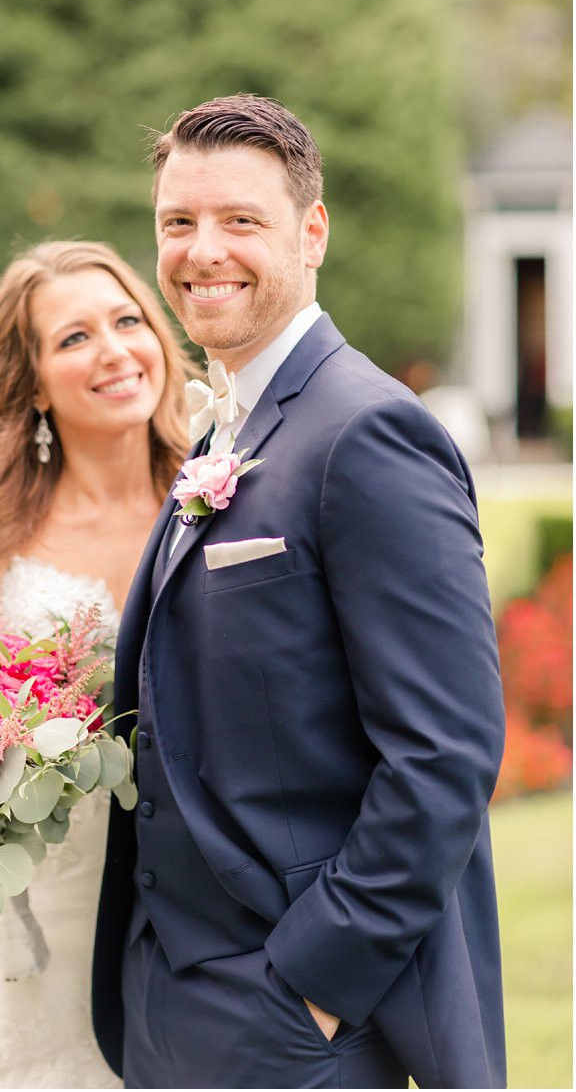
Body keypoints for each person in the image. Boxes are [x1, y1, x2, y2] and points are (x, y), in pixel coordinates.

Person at [91, 94, 505, 1088]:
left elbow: (443, 749)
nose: (200, 250)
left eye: (240, 220)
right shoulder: (221, 428)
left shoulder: (366, 430)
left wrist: (311, 983)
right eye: (176, 222)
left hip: (285, 1014)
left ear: (310, 233)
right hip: (163, 992)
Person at [0, 240, 196, 1087]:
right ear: (36, 381)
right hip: (52, 894)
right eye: (74, 338)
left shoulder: (221, 495)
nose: (115, 351)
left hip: (206, 889)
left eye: (127, 321)